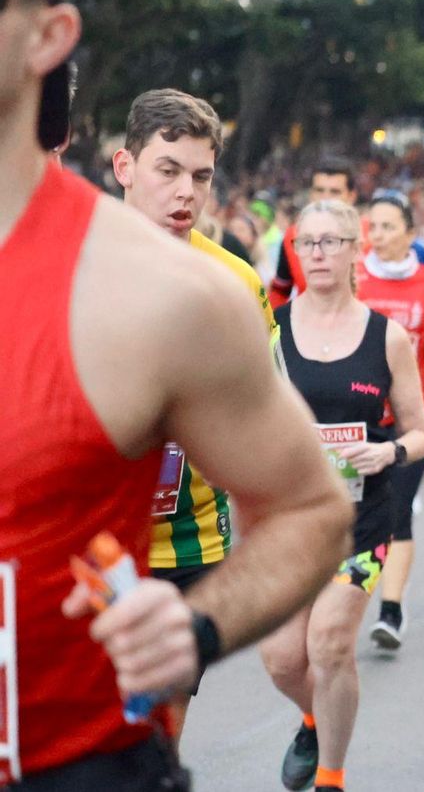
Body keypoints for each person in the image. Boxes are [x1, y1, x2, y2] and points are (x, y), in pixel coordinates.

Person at [0, 0, 350, 786]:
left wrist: (195, 626)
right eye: (169, 169)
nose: (186, 190)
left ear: (49, 33)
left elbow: (309, 511)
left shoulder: (171, 295)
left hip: (75, 763)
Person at [110, 87, 279, 744]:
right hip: (86, 539)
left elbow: (269, 414)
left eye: (201, 176)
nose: (186, 192)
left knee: (159, 729)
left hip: (190, 544)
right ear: (125, 167)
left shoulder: (236, 283)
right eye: (168, 170)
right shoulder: (75, 265)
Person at [260, 199, 424, 792]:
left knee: (329, 642)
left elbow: (419, 430)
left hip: (361, 520)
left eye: (331, 241)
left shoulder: (387, 337)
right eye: (306, 243)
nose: (317, 254)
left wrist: (390, 452)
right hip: (287, 524)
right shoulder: (270, 329)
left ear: (355, 249)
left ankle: (331, 777)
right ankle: (312, 719)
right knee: (283, 659)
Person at [356, 192, 424, 649]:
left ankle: (391, 610)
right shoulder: (354, 275)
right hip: (361, 412)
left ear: (410, 234)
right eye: (372, 227)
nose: (377, 235)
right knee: (360, 510)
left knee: (398, 504)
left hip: (417, 409)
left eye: (388, 227)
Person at [268, 159, 362, 307]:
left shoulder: (372, 235)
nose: (326, 198)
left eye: (335, 192)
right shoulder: (293, 235)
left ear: (351, 196)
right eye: (319, 190)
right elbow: (280, 291)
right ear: (311, 194)